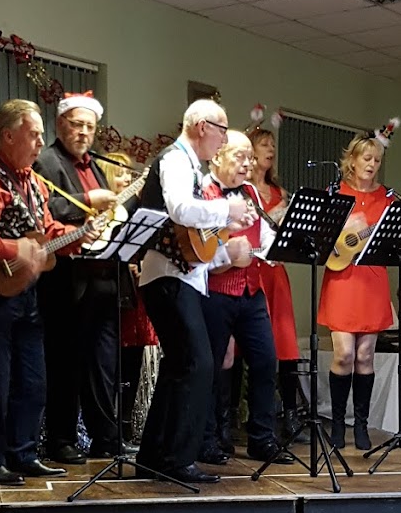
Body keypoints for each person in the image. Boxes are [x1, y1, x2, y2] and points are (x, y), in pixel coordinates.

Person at [0, 99, 97, 485]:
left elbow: (46, 233)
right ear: (7, 135)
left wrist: (79, 234)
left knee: (33, 379)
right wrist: (14, 249)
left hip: (27, 292)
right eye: (33, 135)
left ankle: (23, 452)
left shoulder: (31, 181)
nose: (39, 143)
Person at [134, 99, 256, 484]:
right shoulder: (174, 160)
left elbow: (195, 243)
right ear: (203, 126)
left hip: (181, 276)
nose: (223, 140)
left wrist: (227, 239)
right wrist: (227, 210)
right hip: (167, 276)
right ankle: (176, 458)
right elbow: (181, 210)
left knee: (177, 367)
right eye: (222, 130)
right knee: (198, 363)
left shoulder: (194, 168)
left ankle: (154, 456)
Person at [35, 92, 125, 464]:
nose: (83, 132)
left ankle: (107, 437)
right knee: (65, 362)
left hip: (102, 275)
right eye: (76, 124)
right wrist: (91, 197)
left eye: (89, 126)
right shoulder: (45, 160)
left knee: (103, 364)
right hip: (66, 277)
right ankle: (61, 439)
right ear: (60, 124)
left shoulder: (98, 164)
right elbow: (44, 205)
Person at [201, 130, 292, 465]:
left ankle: (262, 439)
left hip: (251, 291)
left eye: (249, 158)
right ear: (218, 156)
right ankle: (208, 438)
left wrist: (276, 249)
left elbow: (263, 235)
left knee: (266, 361)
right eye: (240, 156)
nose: (247, 163)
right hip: (216, 292)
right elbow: (195, 251)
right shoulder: (203, 192)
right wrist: (226, 257)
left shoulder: (251, 191)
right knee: (211, 367)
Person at [317, 125, 397, 451]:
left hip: (373, 280)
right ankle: (338, 423)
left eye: (377, 160)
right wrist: (343, 227)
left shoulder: (388, 197)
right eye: (367, 158)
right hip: (342, 278)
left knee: (366, 356)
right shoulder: (335, 192)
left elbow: (396, 237)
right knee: (345, 353)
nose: (372, 164)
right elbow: (320, 236)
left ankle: (360, 425)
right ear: (351, 159)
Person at [249, 127, 308, 443]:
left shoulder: (280, 192)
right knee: (249, 345)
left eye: (273, 144)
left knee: (285, 343)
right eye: (263, 144)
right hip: (249, 268)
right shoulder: (243, 191)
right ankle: (237, 418)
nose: (270, 149)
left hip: (276, 273)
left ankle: (290, 415)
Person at [97, 151, 158, 446]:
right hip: (111, 293)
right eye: (119, 174)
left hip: (134, 294)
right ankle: (107, 430)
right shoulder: (101, 213)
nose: (126, 179)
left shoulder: (135, 210)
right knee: (111, 365)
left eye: (129, 175)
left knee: (132, 363)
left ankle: (124, 428)